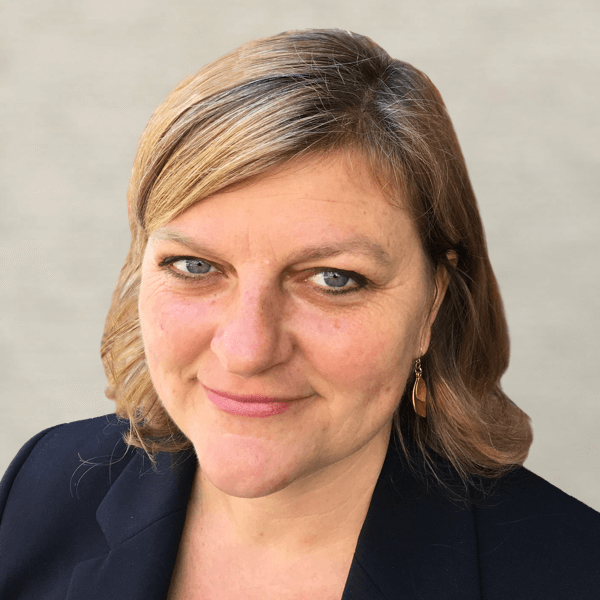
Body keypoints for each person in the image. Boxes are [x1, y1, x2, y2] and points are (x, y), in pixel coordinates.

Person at [1, 28, 599, 600]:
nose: (247, 348)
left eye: (333, 279)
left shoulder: (574, 573)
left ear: (432, 305)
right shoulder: (42, 489)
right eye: (194, 266)